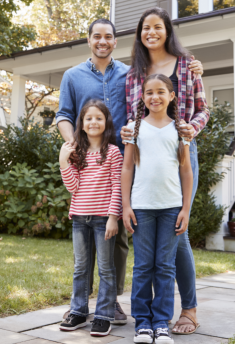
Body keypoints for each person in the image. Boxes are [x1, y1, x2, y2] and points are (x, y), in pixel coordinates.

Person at [56, 18, 203, 323]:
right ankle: (99, 304)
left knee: (165, 231)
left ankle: (180, 308)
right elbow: (66, 115)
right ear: (88, 39)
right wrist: (76, 148)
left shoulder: (159, 69)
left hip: (157, 153)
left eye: (108, 36)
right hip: (112, 161)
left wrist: (189, 127)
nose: (102, 41)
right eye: (96, 36)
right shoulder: (104, 74)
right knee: (117, 229)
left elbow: (195, 106)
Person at [121, 7, 209, 335]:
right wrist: (127, 133)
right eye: (146, 28)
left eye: (158, 27)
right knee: (149, 252)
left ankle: (189, 310)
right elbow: (131, 117)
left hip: (181, 149)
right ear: (140, 34)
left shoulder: (187, 64)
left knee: (179, 230)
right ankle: (150, 316)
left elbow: (203, 110)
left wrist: (190, 129)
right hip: (144, 154)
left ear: (167, 30)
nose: (152, 33)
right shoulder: (134, 73)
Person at [122, 74, 193, 344]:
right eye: (149, 92)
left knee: (164, 266)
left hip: (171, 208)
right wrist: (126, 206)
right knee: (143, 266)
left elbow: (185, 170)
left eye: (161, 91)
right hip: (141, 207)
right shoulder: (134, 129)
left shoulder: (180, 130)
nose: (155, 97)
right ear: (142, 97)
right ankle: (142, 322)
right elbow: (127, 168)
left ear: (172, 96)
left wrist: (186, 208)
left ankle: (162, 322)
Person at [59, 100, 123, 337]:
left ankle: (104, 315)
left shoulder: (114, 152)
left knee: (106, 268)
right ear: (82, 124)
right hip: (79, 218)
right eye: (89, 118)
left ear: (106, 122)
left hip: (102, 219)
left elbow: (117, 186)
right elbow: (73, 187)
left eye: (98, 118)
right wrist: (63, 161)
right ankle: (78, 311)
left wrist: (112, 217)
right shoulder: (77, 153)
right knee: (80, 268)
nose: (93, 122)